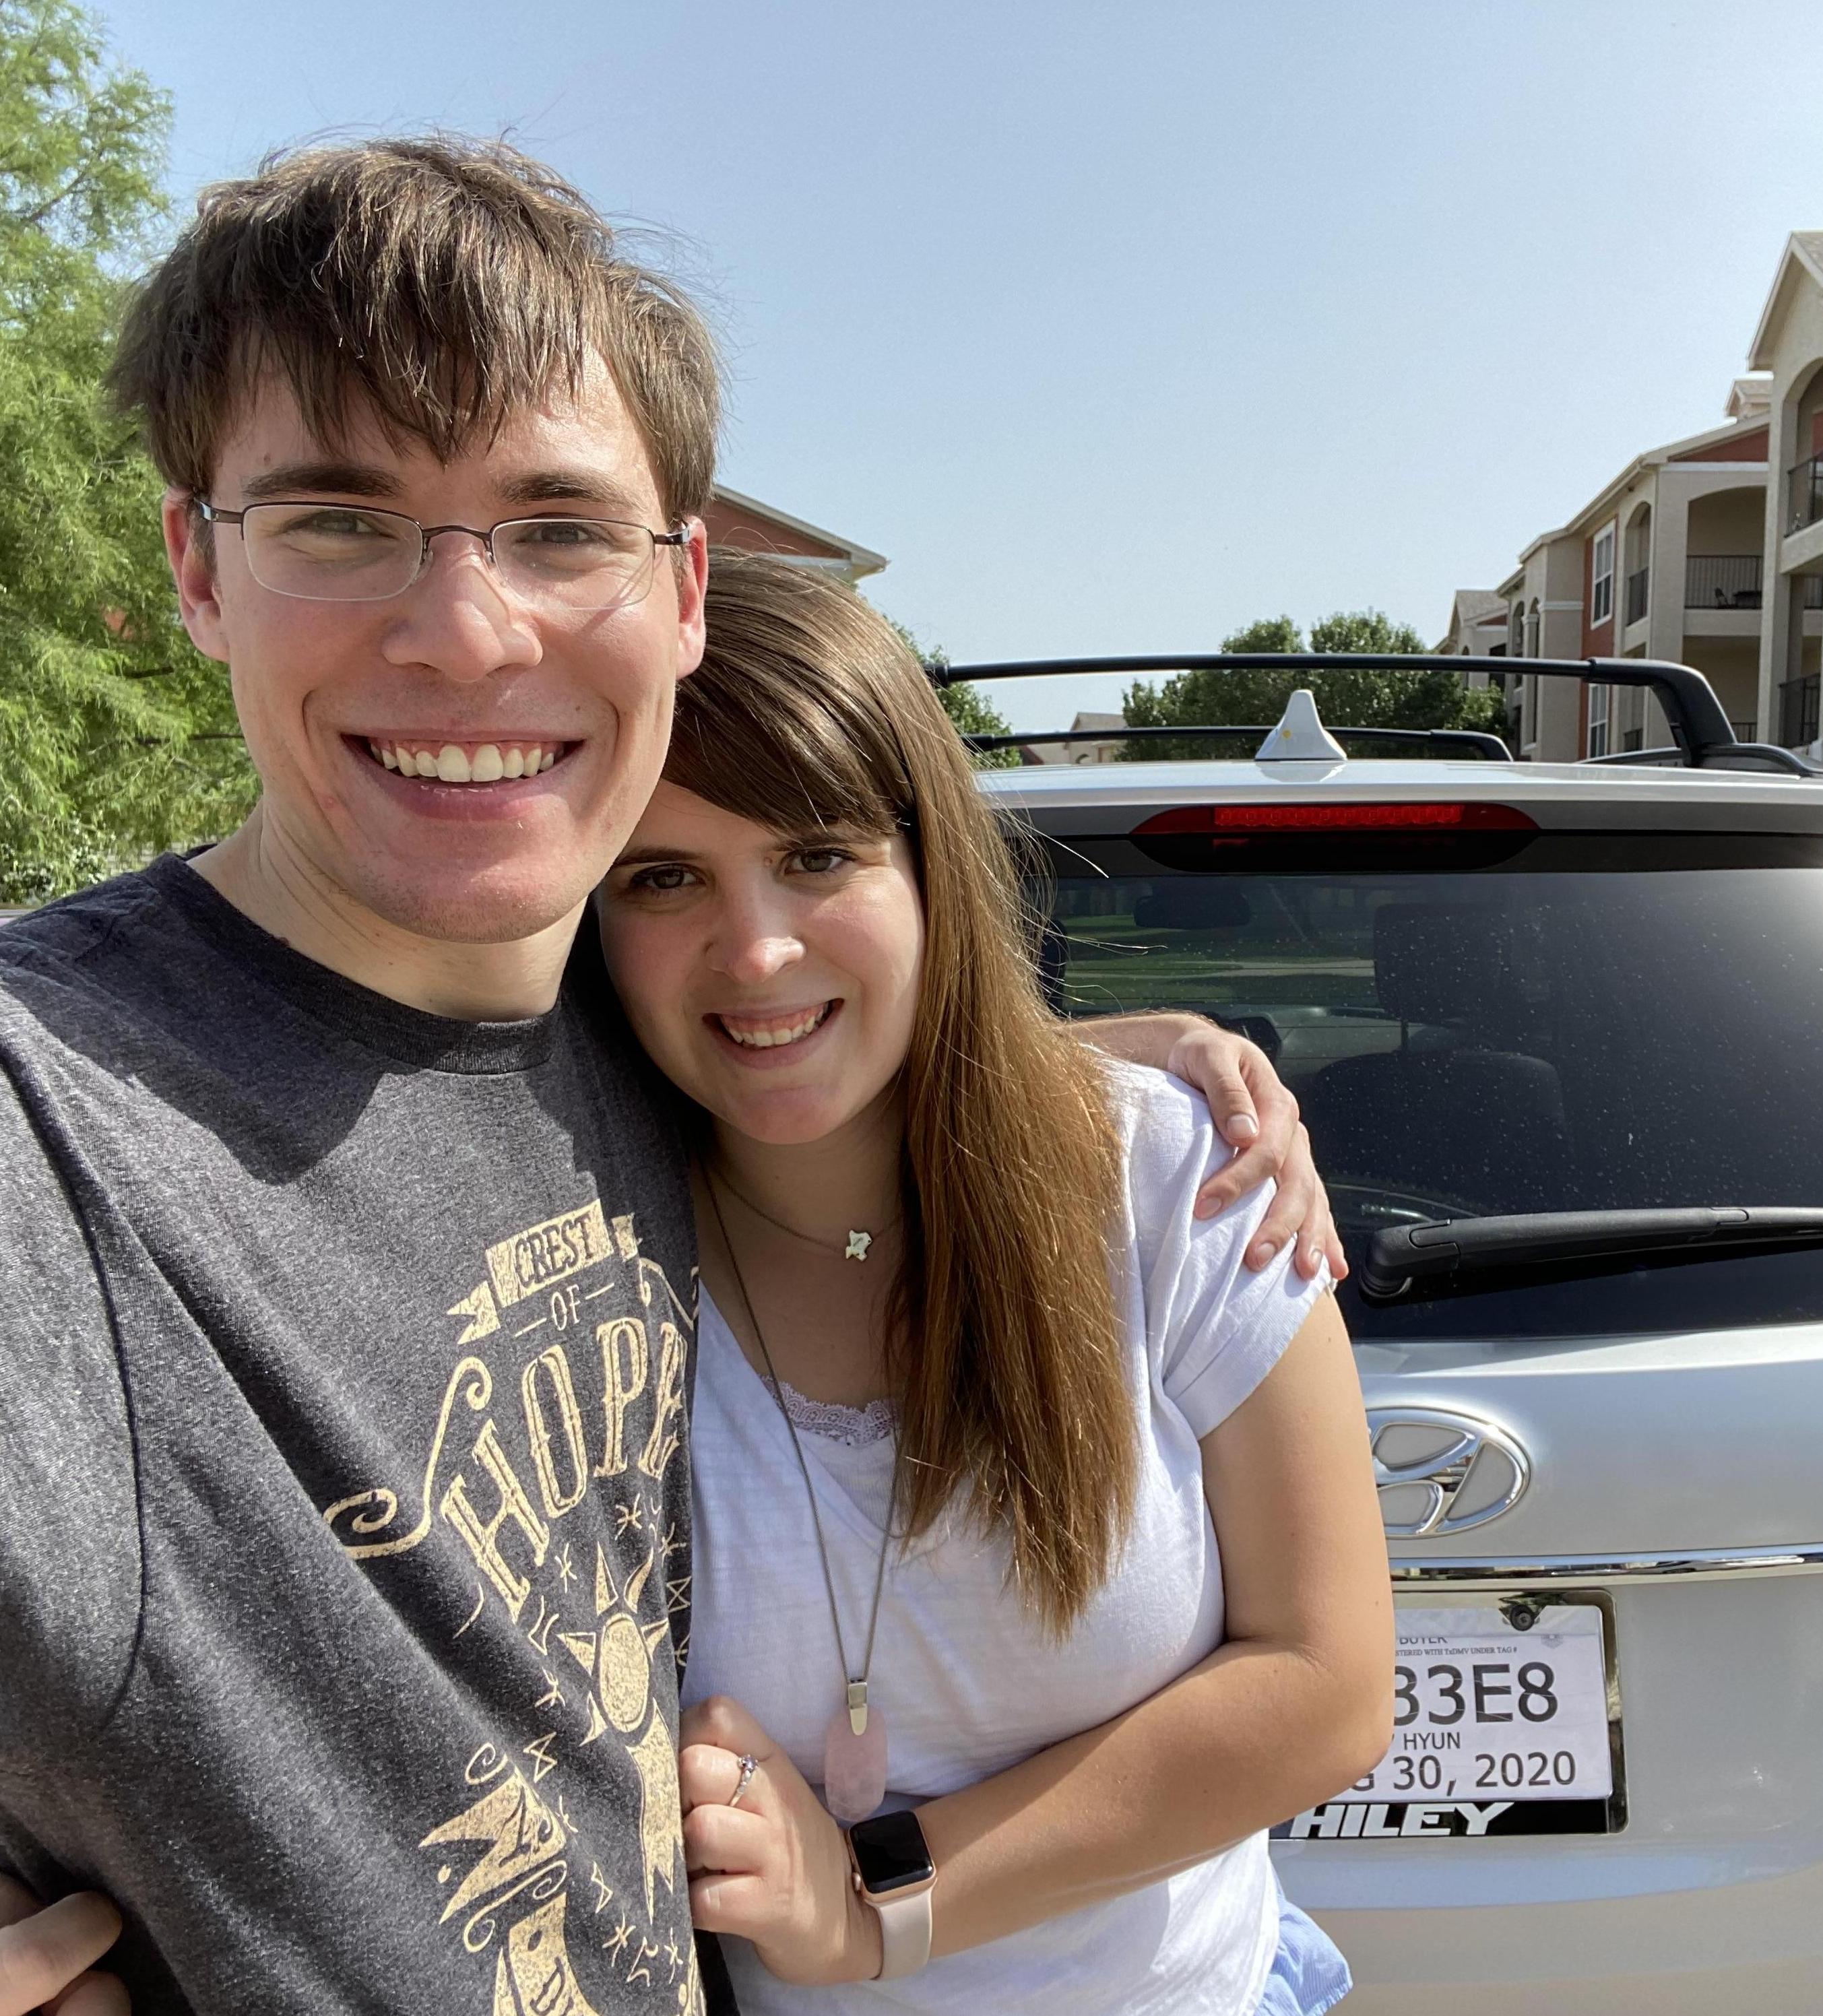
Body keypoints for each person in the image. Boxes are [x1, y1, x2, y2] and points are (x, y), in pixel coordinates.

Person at [0, 138, 1343, 2014]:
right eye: (335, 518)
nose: (466, 630)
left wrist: (1107, 1063)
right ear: (194, 569)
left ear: (684, 585)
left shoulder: (622, 1054)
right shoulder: (55, 1128)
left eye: (555, 527)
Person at [594, 554, 1395, 2014]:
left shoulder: (1174, 1180)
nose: (756, 947)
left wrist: (881, 1898)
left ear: (929, 871)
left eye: (820, 856)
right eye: (664, 877)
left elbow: (1327, 1684)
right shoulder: (571, 1267)